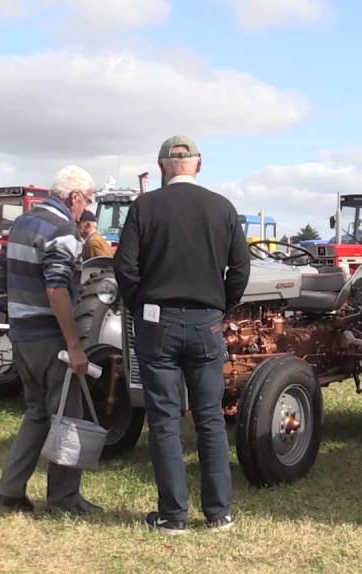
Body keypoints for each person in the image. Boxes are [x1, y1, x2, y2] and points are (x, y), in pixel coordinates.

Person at [115, 135, 250, 535]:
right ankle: (219, 512)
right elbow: (240, 269)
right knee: (209, 416)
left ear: (161, 167)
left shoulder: (145, 206)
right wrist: (219, 306)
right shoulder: (222, 207)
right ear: (199, 165)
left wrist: (142, 305)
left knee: (164, 418)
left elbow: (125, 267)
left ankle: (173, 514)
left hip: (157, 322)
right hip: (206, 321)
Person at [0, 165, 102, 517]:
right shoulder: (63, 230)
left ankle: (10, 491)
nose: (89, 207)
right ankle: (64, 499)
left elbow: (1, 273)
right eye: (89, 198)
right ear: (75, 197)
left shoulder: (22, 224)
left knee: (37, 413)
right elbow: (56, 287)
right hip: (50, 337)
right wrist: (73, 344)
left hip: (21, 333)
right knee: (69, 417)